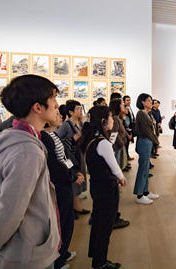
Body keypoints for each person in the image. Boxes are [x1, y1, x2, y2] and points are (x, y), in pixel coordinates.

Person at [0, 75, 61, 269]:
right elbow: (9, 212)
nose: (57, 105)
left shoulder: (20, 141)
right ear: (37, 107)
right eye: (53, 99)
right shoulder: (25, 151)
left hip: (25, 248)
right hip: (26, 256)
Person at [79, 106, 127, 269]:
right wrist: (121, 177)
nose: (113, 121)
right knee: (105, 225)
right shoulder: (103, 143)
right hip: (107, 187)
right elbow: (114, 166)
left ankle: (96, 256)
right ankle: (100, 262)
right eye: (110, 118)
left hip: (97, 186)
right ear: (103, 121)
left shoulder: (91, 139)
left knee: (99, 222)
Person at [41, 111, 84, 269]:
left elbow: (64, 157)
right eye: (56, 112)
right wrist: (72, 176)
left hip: (65, 179)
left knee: (66, 219)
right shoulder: (44, 136)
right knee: (62, 220)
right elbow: (54, 164)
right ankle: (58, 260)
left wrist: (74, 172)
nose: (60, 115)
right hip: (59, 183)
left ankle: (63, 252)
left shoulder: (53, 134)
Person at [58, 100, 89, 217]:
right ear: (70, 112)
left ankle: (76, 206)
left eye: (81, 108)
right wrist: (72, 140)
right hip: (71, 158)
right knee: (74, 180)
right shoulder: (66, 125)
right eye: (77, 109)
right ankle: (72, 208)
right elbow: (58, 140)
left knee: (79, 179)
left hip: (79, 155)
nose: (80, 111)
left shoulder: (80, 124)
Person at [133, 94, 159, 204]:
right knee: (143, 168)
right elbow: (146, 131)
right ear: (142, 102)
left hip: (148, 141)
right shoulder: (141, 114)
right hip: (144, 141)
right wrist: (156, 141)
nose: (151, 102)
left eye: (151, 100)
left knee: (146, 168)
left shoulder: (148, 113)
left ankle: (145, 192)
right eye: (148, 101)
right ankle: (139, 195)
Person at [122, 95, 135, 161]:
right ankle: (126, 158)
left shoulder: (129, 108)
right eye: (127, 100)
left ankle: (127, 156)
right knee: (125, 144)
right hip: (126, 130)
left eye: (129, 100)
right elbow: (125, 121)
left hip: (130, 128)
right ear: (123, 101)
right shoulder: (124, 109)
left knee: (127, 144)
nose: (129, 101)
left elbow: (131, 117)